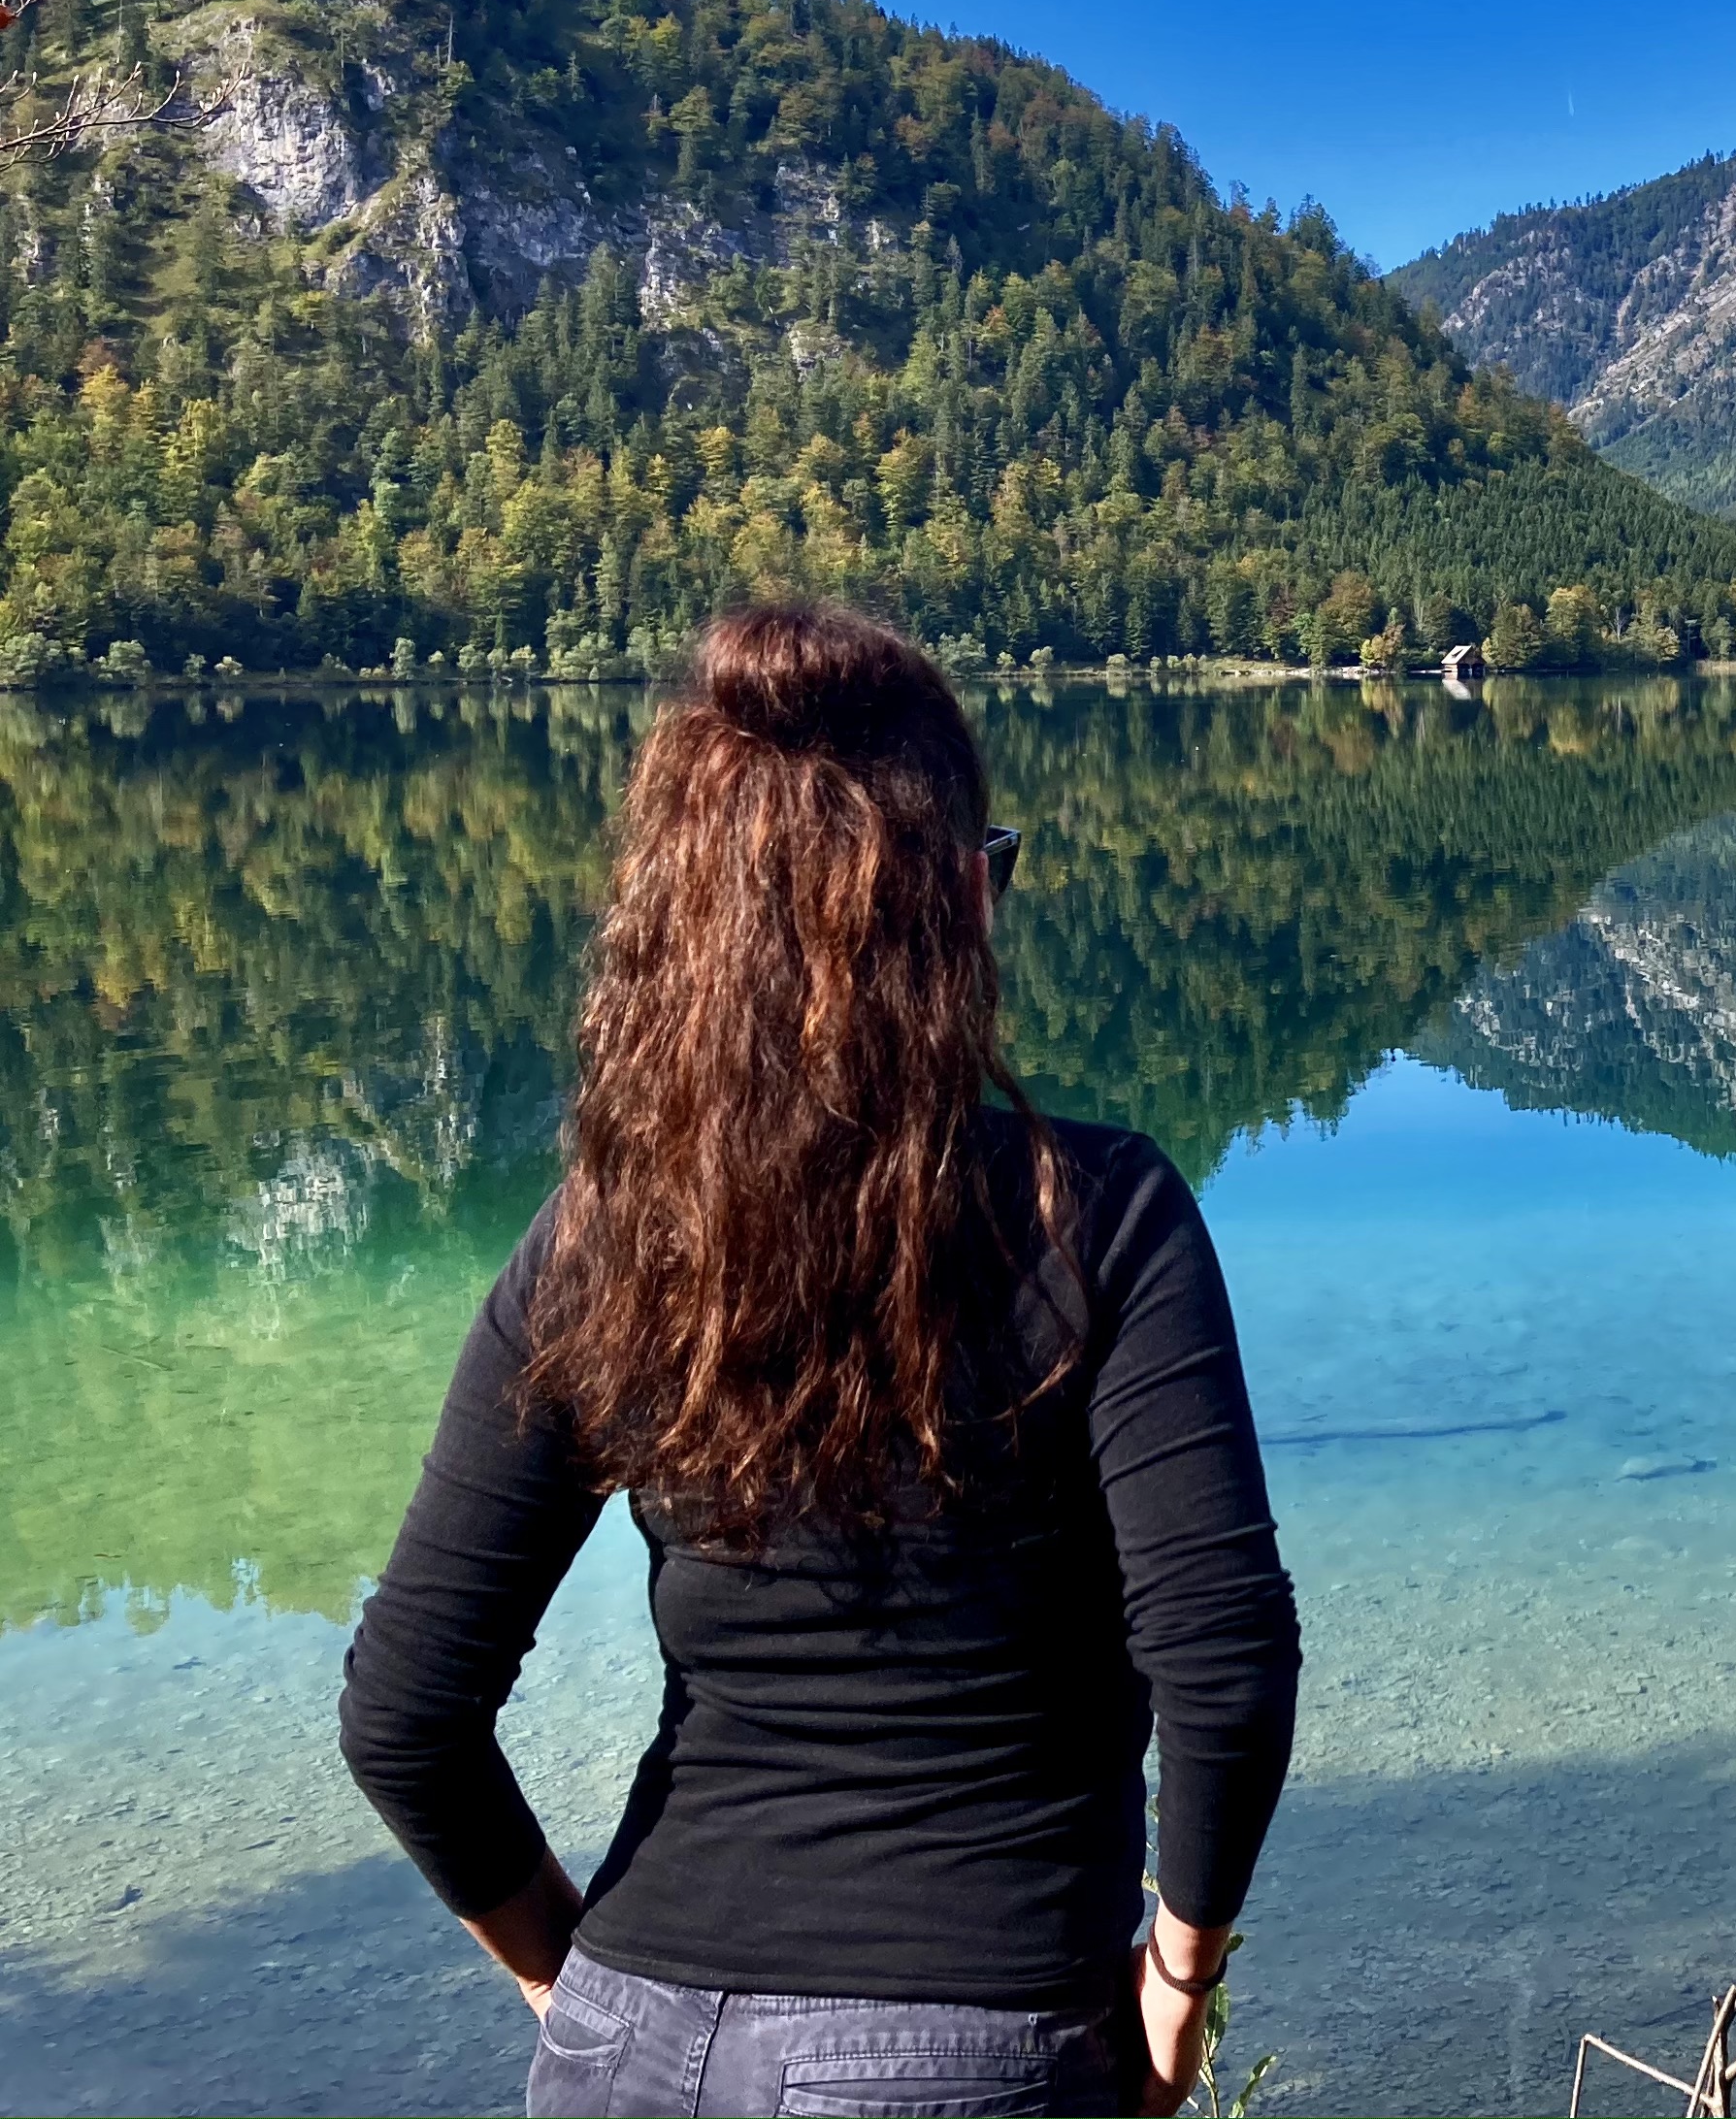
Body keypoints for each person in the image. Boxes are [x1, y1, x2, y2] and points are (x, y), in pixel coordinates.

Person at [339, 603, 1301, 2119]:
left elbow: (405, 1711)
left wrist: (570, 1984)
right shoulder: (1096, 1219)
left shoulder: (605, 1240)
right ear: (954, 910)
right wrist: (1179, 1983)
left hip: (622, 2045)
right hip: (969, 2045)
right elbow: (1227, 1666)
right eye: (989, 875)